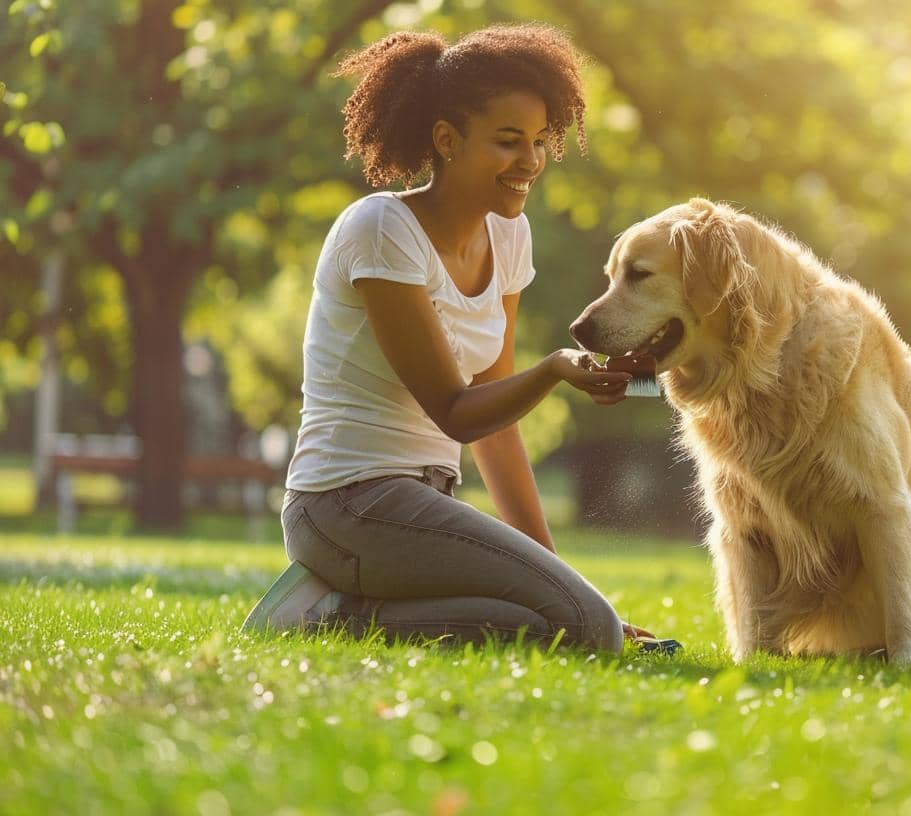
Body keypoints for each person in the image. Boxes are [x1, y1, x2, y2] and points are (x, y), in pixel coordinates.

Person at [242, 24, 644, 652]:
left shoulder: (508, 237)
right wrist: (556, 369)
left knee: (566, 623)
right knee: (587, 626)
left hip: (426, 504)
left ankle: (345, 608)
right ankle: (322, 618)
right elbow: (457, 414)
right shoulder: (382, 229)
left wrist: (558, 576)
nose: (531, 162)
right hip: (347, 505)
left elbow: (497, 424)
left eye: (540, 142)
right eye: (509, 141)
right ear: (447, 140)